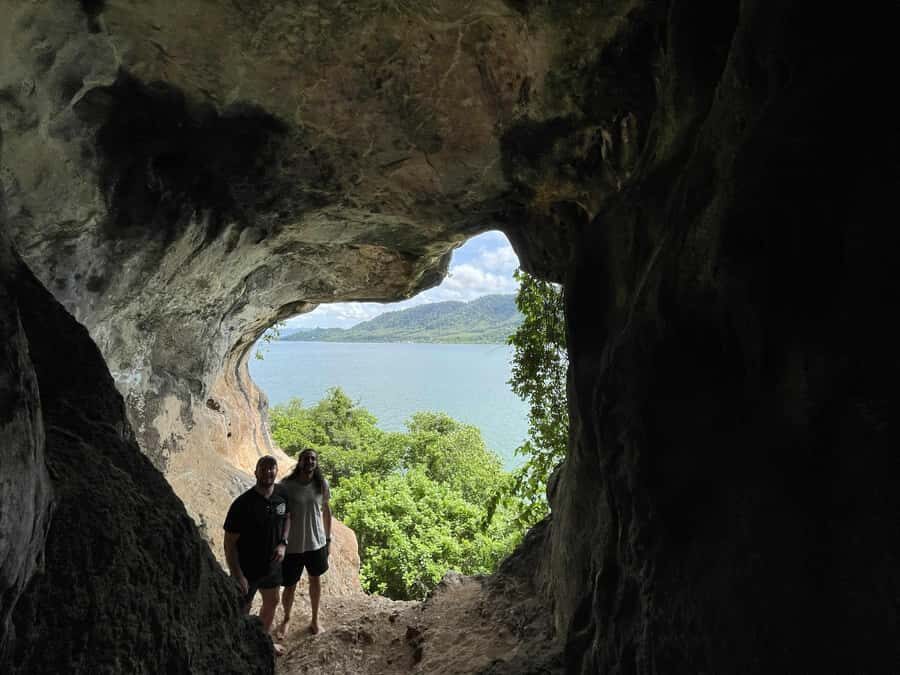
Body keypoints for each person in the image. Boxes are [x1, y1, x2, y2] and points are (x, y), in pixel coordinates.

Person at [224, 455, 291, 654]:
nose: (268, 472)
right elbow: (229, 544)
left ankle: (262, 642)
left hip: (272, 565)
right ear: (256, 472)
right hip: (247, 568)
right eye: (264, 468)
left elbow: (288, 517)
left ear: (276, 471)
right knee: (241, 609)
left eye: (272, 468)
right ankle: (237, 647)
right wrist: (238, 575)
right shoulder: (242, 505)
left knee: (271, 602)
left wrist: (283, 543)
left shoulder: (282, 495)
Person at [274, 448, 332, 637]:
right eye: (306, 458)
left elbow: (326, 511)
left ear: (316, 462)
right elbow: (279, 514)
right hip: (293, 545)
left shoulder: (321, 484)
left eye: (313, 459)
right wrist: (280, 541)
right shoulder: (286, 486)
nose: (310, 462)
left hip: (316, 543)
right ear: (299, 462)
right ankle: (286, 619)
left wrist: (328, 538)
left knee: (315, 580)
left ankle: (315, 620)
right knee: (290, 585)